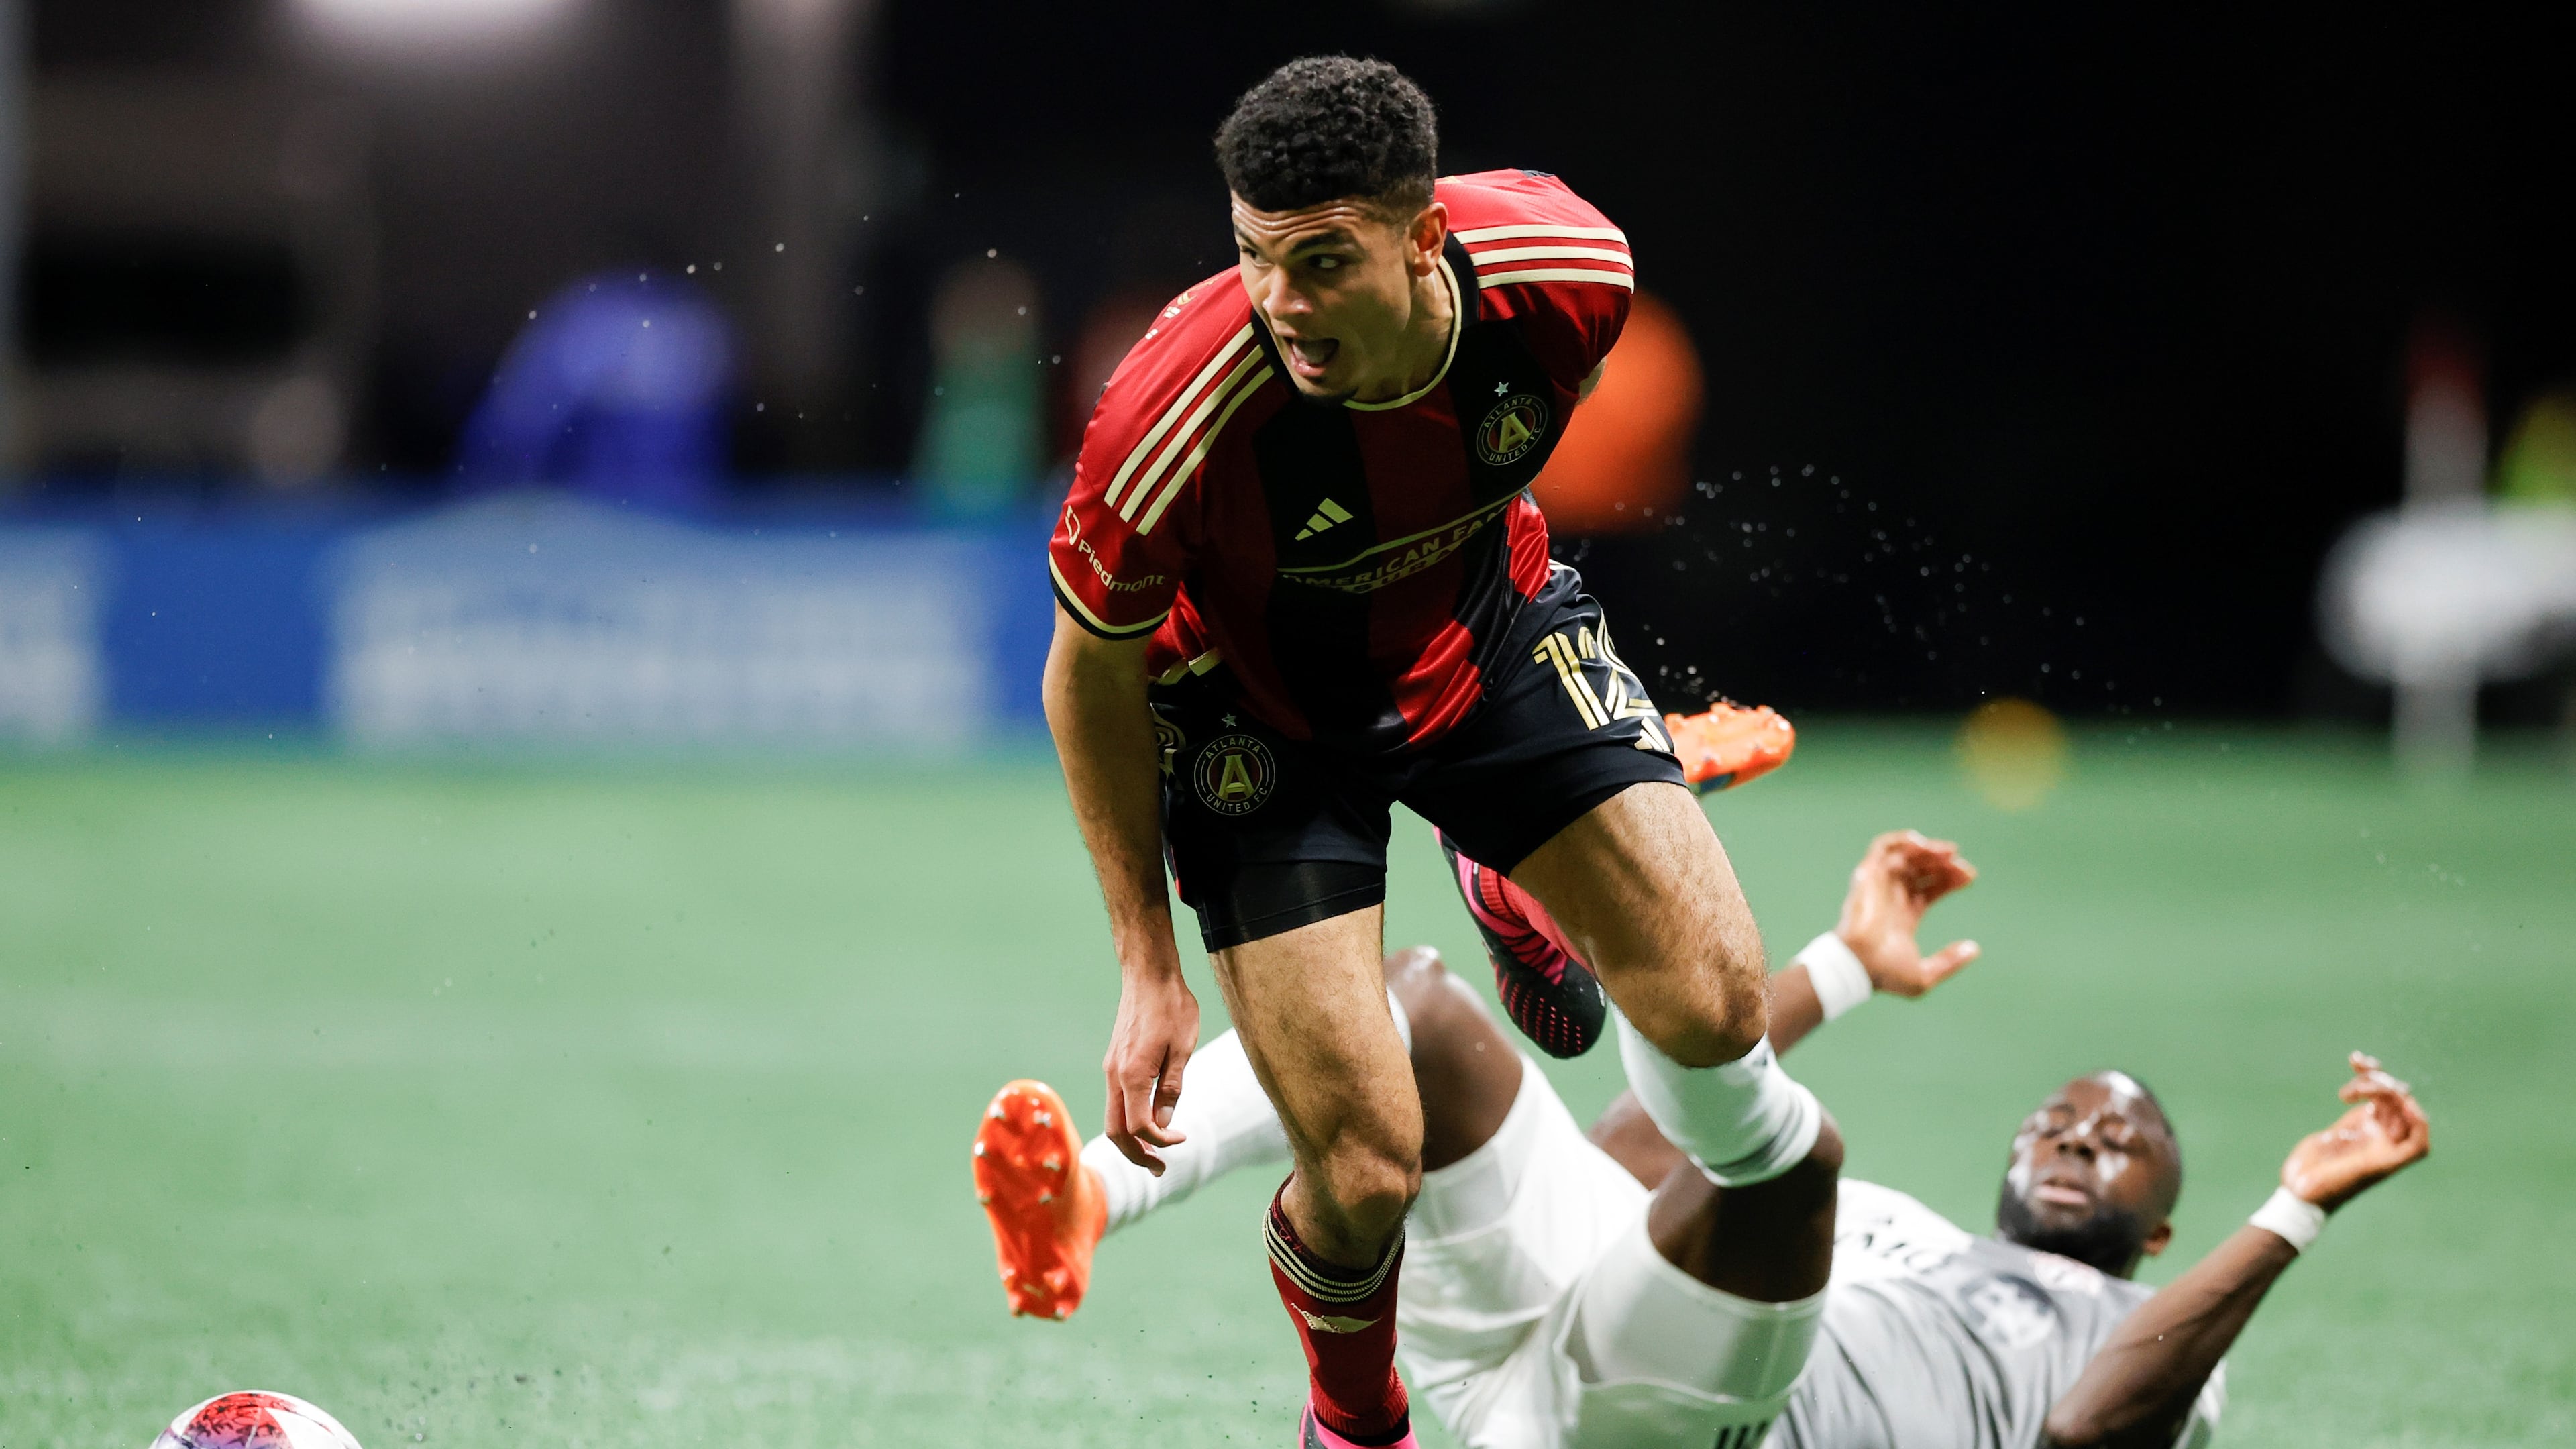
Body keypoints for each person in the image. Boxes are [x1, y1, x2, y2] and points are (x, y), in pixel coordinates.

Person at [1042, 54, 1809, 1447]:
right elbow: (1084, 674)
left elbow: (1490, 483)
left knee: (1714, 1007)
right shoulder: (1168, 416)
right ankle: (1357, 1425)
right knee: (1368, 1169)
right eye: (1255, 257)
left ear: (1425, 236)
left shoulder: (1575, 275)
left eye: (1323, 261)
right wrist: (1146, 963)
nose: (1281, 303)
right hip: (1253, 726)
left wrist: (1567, 753)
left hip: (1485, 636)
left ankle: (1509, 863)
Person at [975, 830, 2433, 1448]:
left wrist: (2297, 1208)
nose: (2083, 1131)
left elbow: (2085, 1437)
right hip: (1548, 1363)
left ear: (2168, 1225)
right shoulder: (1910, 1234)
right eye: (2066, 1113)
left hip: (1690, 1434)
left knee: (1789, 1163)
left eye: (2125, 1142)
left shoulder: (2158, 1334)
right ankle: (1095, 1201)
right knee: (1412, 1009)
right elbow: (1626, 1155)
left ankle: (1612, 892)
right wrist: (1845, 966)